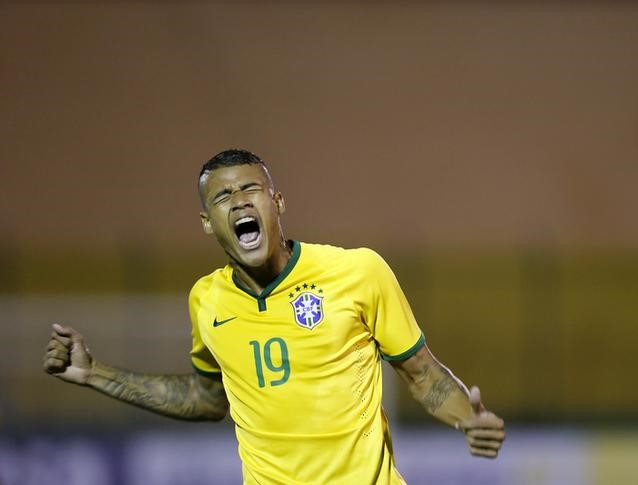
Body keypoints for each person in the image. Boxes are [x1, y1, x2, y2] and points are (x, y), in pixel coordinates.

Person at [43, 149, 505, 484]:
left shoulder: (357, 271)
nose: (240, 201)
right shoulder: (207, 300)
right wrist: (93, 373)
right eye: (223, 197)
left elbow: (423, 375)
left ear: (277, 203)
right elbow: (206, 399)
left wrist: (469, 418)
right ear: (206, 221)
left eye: (250, 189)